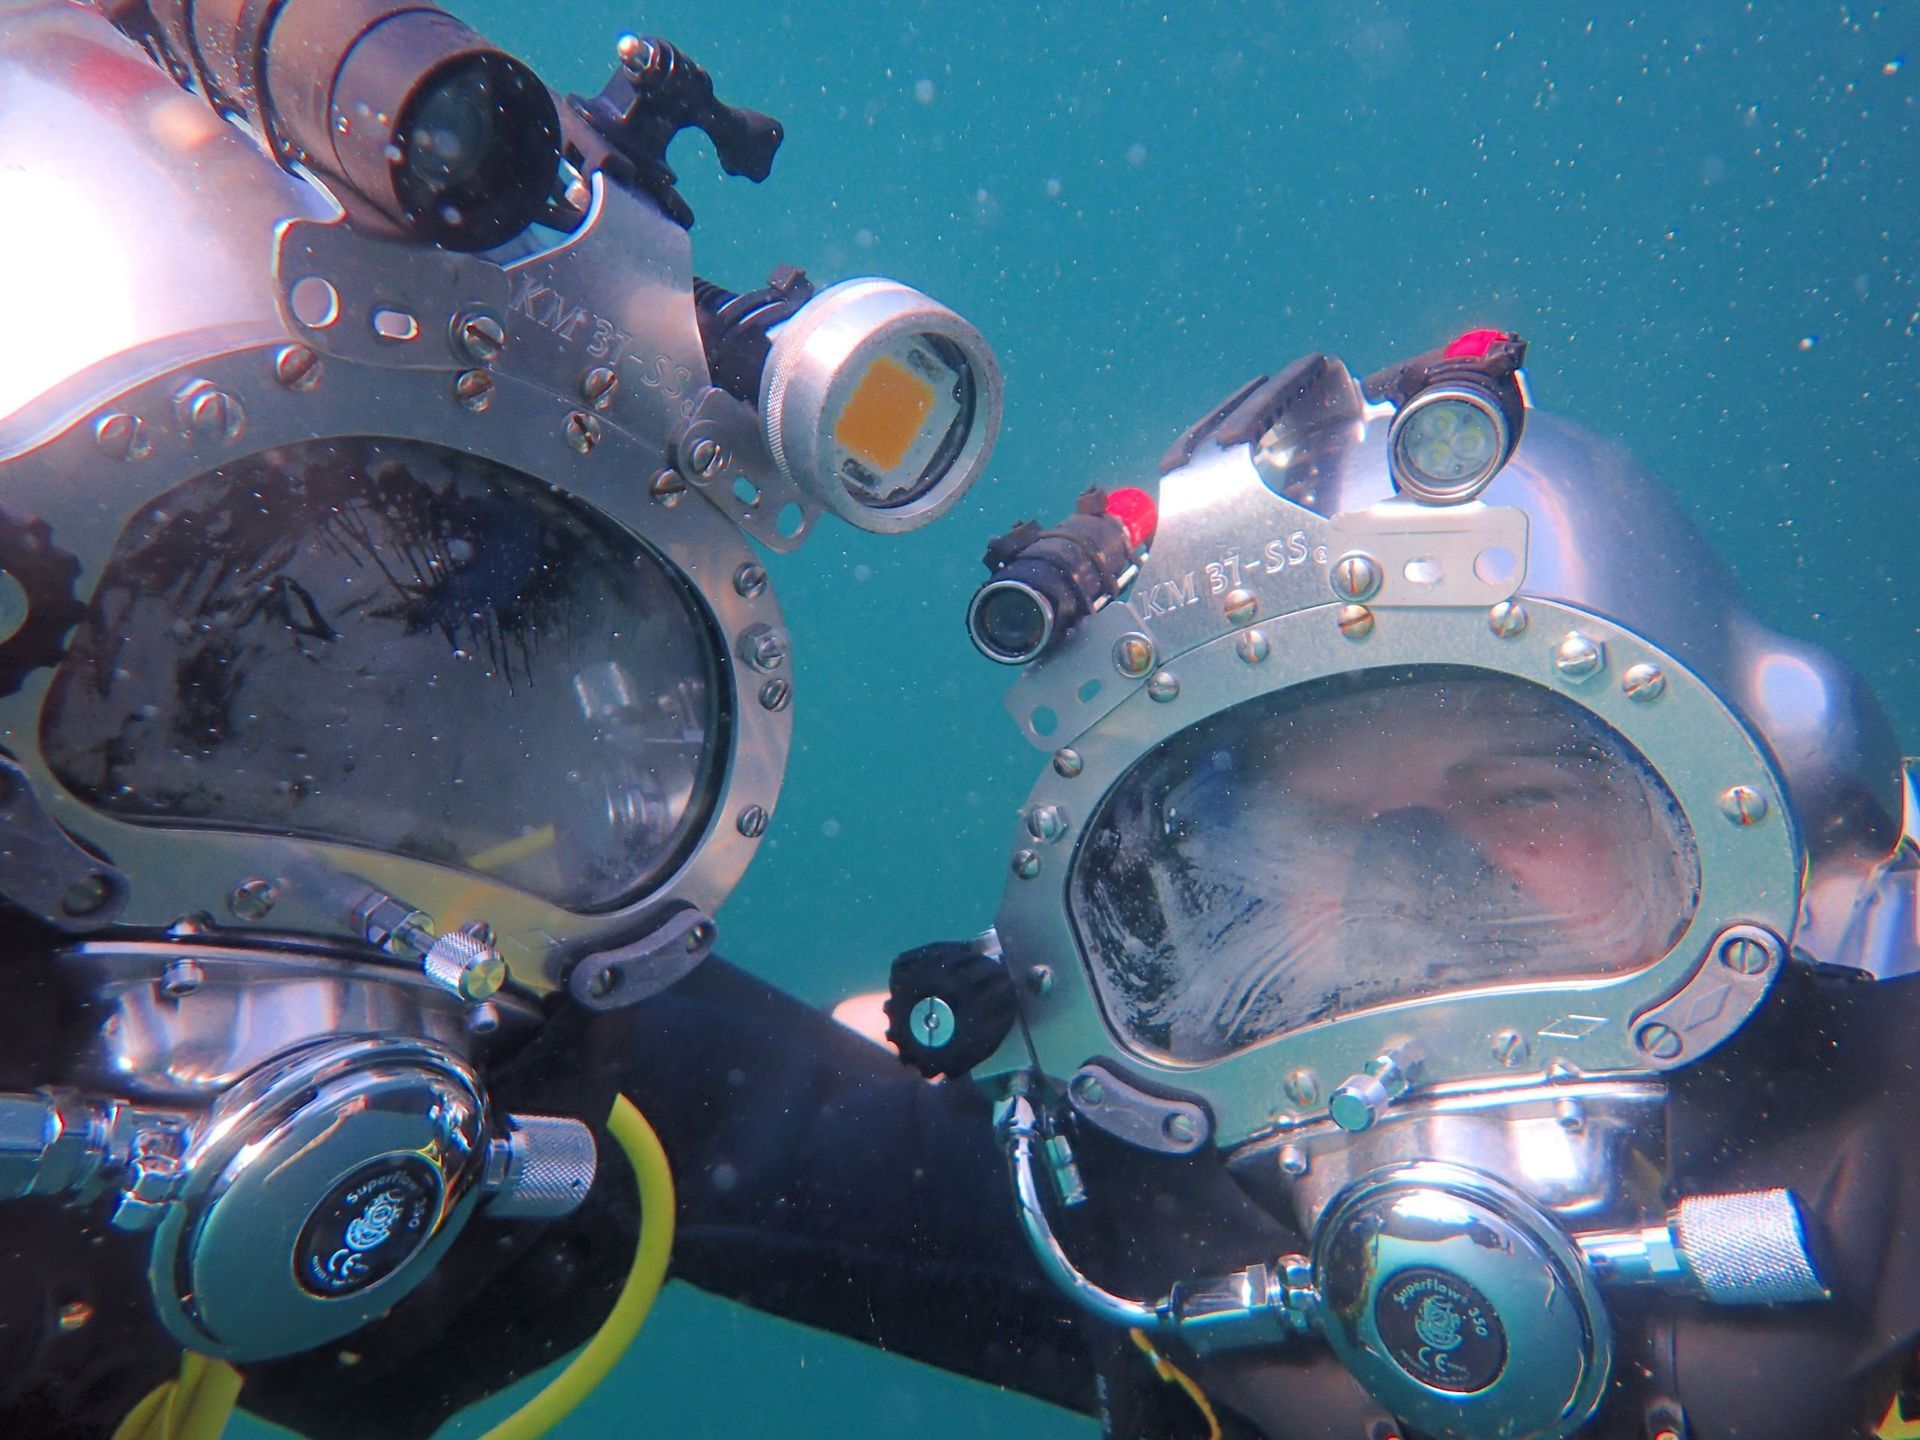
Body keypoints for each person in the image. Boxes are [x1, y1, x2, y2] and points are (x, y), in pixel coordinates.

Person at [0, 1, 1098, 1435]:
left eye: (473, 695)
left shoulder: (489, 995)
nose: (332, 866)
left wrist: (1260, 1288)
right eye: (204, 707)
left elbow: (823, 1159)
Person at [876, 335, 1920, 1440]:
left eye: (1521, 797)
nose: (1414, 891)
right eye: (1320, 828)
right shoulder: (1133, 1220)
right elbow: (758, 1120)